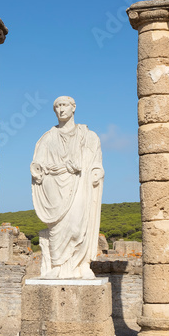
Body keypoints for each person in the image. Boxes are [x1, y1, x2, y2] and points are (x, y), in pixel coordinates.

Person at [30, 96, 104, 279]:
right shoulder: (48, 138)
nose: (61, 110)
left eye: (64, 105)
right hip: (53, 185)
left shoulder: (88, 136)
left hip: (79, 183)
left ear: (73, 108)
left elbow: (96, 162)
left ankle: (81, 264)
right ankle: (58, 265)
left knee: (78, 224)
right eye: (57, 107)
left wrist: (95, 172)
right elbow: (37, 163)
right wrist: (39, 171)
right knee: (57, 227)